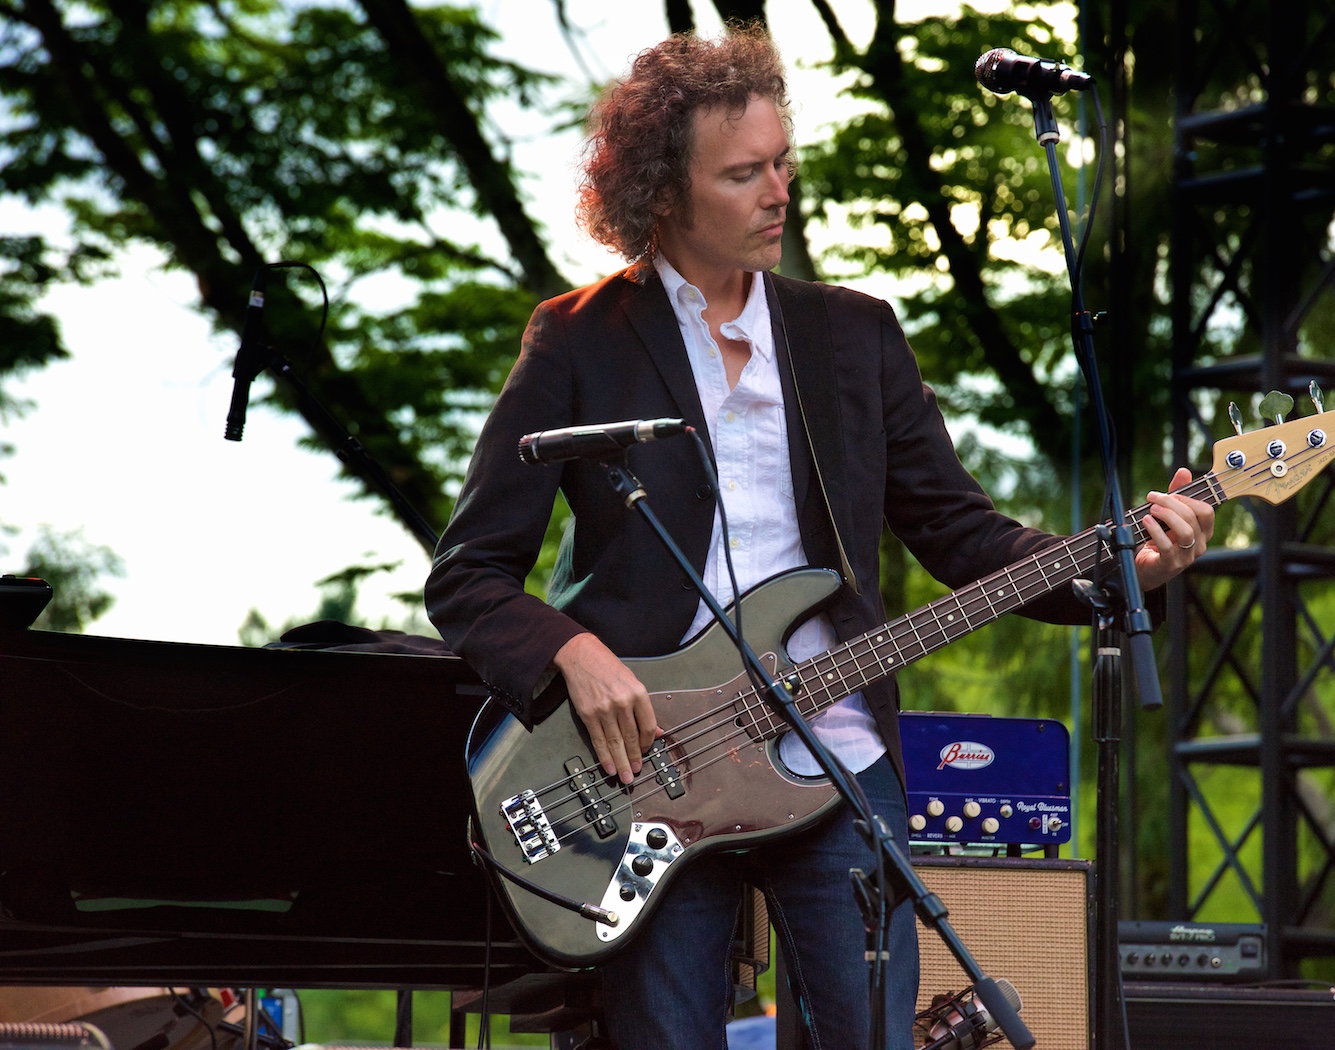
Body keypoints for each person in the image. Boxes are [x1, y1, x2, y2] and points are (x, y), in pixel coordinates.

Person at [425, 25, 1214, 1050]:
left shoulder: (852, 334)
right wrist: (574, 656)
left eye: (782, 162)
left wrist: (1125, 568)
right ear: (661, 194)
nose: (777, 190)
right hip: (645, 772)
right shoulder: (580, 337)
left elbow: (961, 533)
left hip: (831, 749)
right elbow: (469, 576)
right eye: (743, 173)